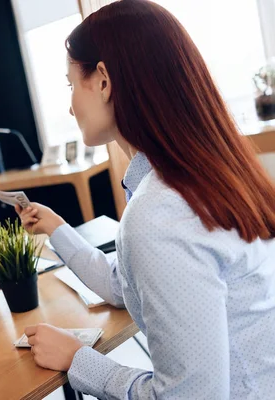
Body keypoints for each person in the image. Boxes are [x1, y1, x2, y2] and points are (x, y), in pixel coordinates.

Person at [17, 1, 275, 398]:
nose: (70, 106)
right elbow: (125, 286)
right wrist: (56, 227)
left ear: (103, 80)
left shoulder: (160, 211)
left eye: (71, 85)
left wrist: (80, 360)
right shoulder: (211, 173)